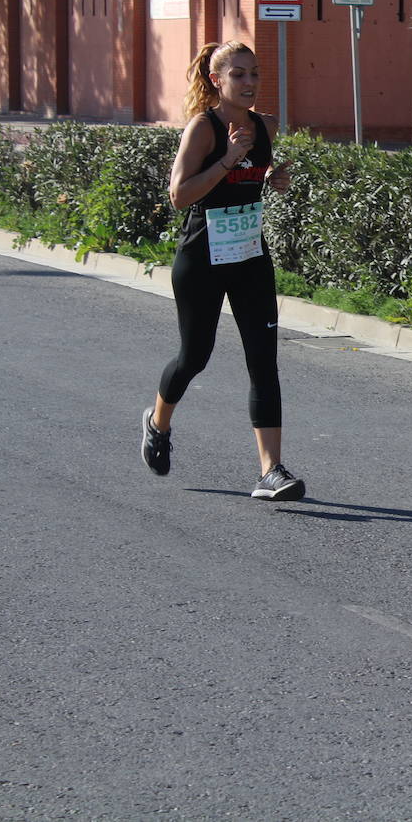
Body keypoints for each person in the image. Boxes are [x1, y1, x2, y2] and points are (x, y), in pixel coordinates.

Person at [139, 41, 305, 502]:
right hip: (201, 260)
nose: (249, 82)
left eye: (254, 73)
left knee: (263, 361)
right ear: (217, 80)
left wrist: (273, 180)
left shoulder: (265, 125)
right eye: (238, 75)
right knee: (195, 357)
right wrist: (228, 160)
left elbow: (254, 176)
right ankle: (158, 423)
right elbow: (179, 195)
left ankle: (270, 471)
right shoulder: (204, 129)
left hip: (249, 257)